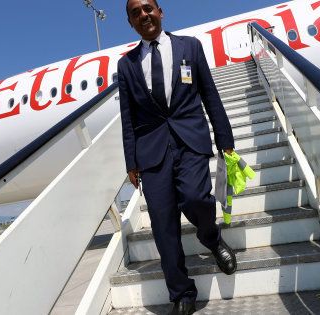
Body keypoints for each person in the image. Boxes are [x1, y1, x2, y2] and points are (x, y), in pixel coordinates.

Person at [118, 0, 237, 314]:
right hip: (151, 150)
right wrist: (131, 160)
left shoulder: (190, 47)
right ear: (130, 22)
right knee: (162, 223)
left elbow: (210, 93)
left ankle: (211, 238)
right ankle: (182, 294)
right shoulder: (127, 64)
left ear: (160, 12)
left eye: (148, 8)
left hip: (190, 139)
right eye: (135, 13)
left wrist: (225, 138)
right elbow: (127, 117)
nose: (143, 15)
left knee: (197, 198)